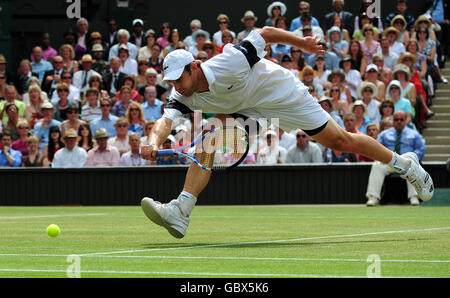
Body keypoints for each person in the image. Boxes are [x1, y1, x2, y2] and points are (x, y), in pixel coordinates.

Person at [140, 26, 434, 239]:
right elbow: (165, 122)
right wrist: (152, 141)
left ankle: (405, 165)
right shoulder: (181, 94)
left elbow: (266, 32)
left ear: (193, 68)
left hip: (282, 95)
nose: (176, 85)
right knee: (210, 137)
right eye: (172, 81)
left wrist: (303, 44)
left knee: (340, 141)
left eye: (180, 78)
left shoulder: (229, 61)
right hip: (249, 110)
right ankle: (181, 211)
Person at [366, 110, 425, 207]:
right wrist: (381, 158)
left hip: (407, 162)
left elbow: (421, 149)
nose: (399, 121)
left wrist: (413, 158)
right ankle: (373, 197)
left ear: (406, 120)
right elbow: (377, 147)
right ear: (393, 120)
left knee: (413, 166)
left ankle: (414, 197)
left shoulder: (414, 134)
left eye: (401, 119)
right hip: (389, 161)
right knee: (376, 166)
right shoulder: (384, 134)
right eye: (396, 119)